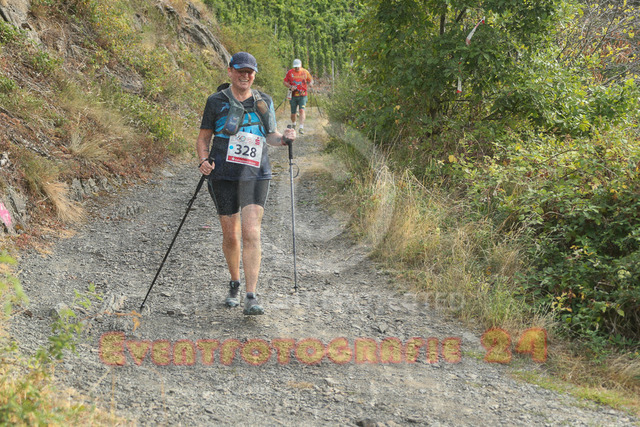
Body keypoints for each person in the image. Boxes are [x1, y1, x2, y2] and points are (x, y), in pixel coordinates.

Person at [196, 52, 296, 315]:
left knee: (251, 232)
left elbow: (271, 136)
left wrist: (284, 139)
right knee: (231, 235)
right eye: (241, 70)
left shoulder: (264, 101)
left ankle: (251, 295)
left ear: (254, 75)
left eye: (250, 72)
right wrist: (203, 160)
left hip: (256, 174)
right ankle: (234, 282)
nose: (245, 76)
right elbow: (203, 138)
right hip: (223, 175)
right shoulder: (216, 101)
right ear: (230, 71)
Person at [283, 58, 313, 135]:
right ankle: (294, 123)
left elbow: (311, 80)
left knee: (302, 110)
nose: (297, 68)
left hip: (303, 95)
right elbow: (285, 82)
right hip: (293, 95)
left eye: (298, 67)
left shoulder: (305, 72)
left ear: (301, 65)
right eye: (295, 67)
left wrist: (310, 84)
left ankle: (301, 127)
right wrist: (290, 86)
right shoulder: (290, 72)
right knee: (293, 113)